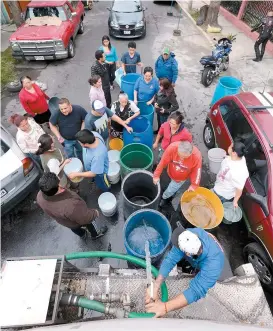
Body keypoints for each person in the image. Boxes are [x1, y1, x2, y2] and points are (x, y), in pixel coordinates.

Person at [145, 226, 226, 317]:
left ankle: (196, 268)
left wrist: (165, 307)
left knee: (202, 282)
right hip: (199, 255)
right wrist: (156, 285)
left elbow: (195, 292)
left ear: (187, 254)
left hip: (211, 259)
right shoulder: (189, 235)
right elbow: (170, 259)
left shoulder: (213, 266)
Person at [37, 172, 107, 240]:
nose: (60, 180)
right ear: (59, 187)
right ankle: (96, 234)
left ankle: (82, 235)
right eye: (59, 181)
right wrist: (94, 213)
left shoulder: (39, 196)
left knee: (74, 228)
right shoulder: (71, 206)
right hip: (77, 218)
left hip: (66, 222)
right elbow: (86, 218)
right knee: (90, 223)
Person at [153, 141, 202, 208]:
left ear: (190, 154)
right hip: (170, 171)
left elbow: (197, 172)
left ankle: (165, 198)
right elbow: (162, 162)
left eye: (185, 157)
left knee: (170, 190)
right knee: (168, 182)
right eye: (180, 155)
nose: (181, 159)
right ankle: (171, 192)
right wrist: (156, 175)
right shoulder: (172, 148)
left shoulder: (196, 157)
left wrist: (194, 185)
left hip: (180, 179)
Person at [212, 142, 249, 208]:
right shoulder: (240, 157)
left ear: (234, 153)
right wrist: (227, 156)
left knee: (213, 206)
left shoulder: (239, 172)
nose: (228, 147)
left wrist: (235, 201)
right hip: (220, 184)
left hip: (222, 193)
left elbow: (239, 189)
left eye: (230, 147)